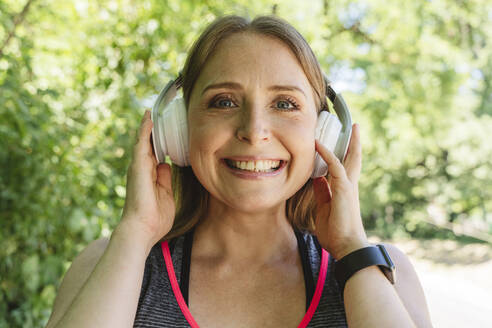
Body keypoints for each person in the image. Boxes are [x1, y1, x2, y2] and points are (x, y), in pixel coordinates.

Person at [46, 15, 432, 328]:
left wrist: (351, 248)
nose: (254, 131)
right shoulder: (111, 262)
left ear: (326, 134)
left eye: (284, 103)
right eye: (224, 101)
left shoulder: (383, 274)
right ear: (176, 129)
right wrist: (135, 232)